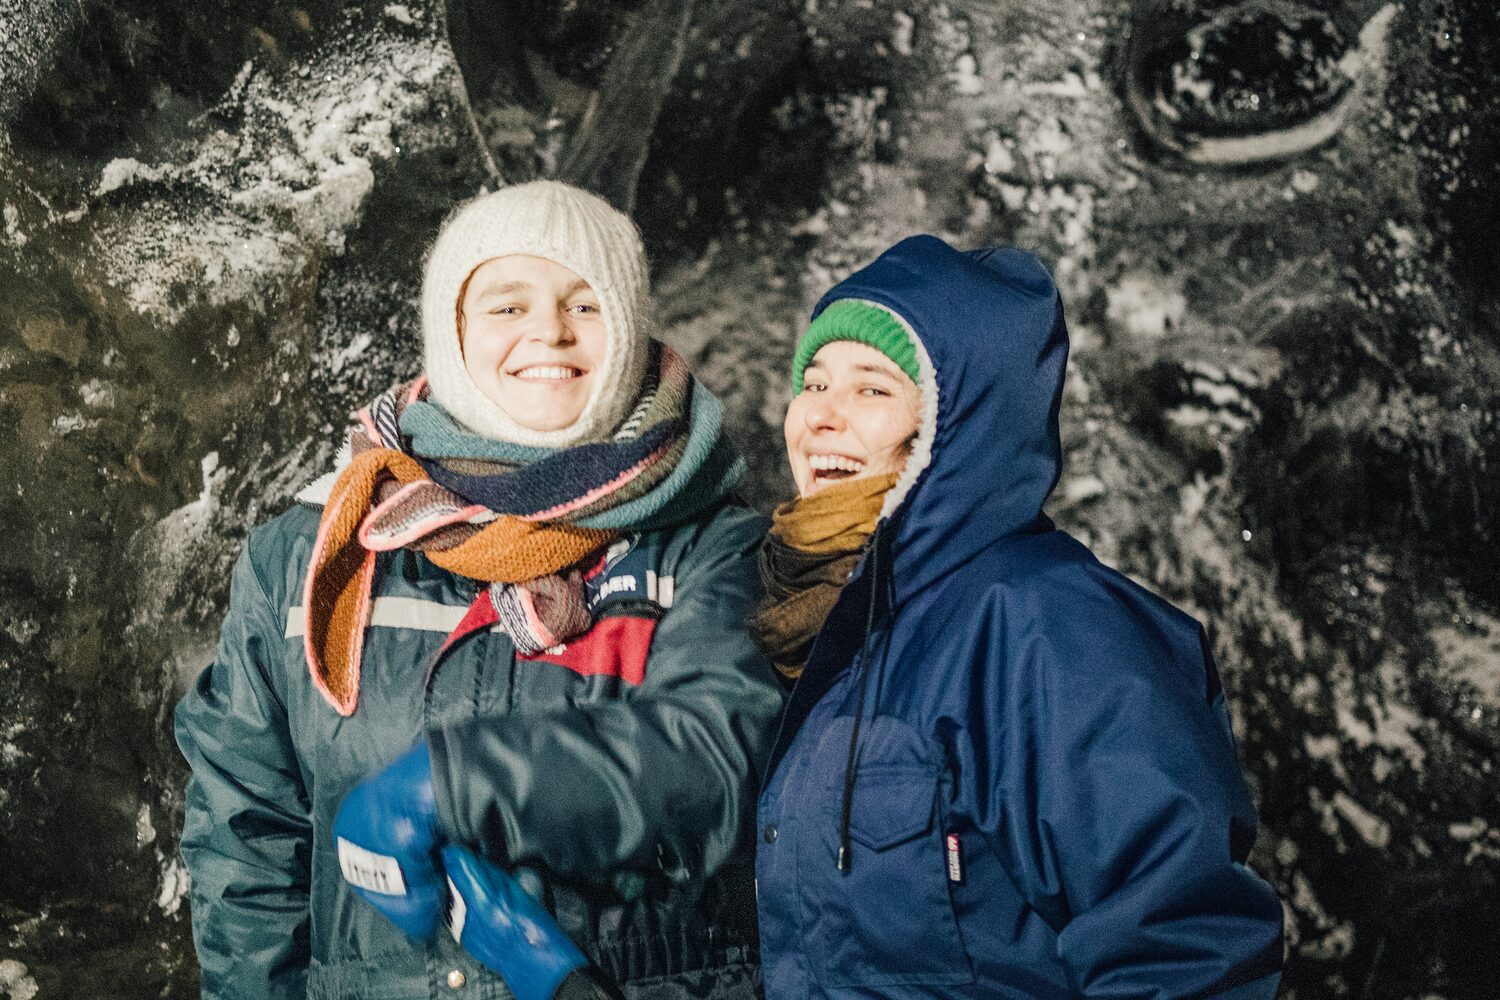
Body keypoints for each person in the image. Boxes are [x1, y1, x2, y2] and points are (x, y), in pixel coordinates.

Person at [174, 180, 782, 1000]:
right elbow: (248, 843)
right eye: (506, 305)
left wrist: (450, 784)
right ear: (451, 330)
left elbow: (711, 764)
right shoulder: (313, 554)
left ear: (631, 329)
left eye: (586, 304)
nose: (550, 332)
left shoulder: (710, 542)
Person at [750, 235, 1285, 999]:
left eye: (873, 390)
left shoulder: (1050, 624)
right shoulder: (828, 632)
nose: (821, 417)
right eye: (814, 381)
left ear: (958, 425)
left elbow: (1186, 948)